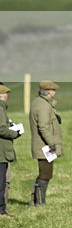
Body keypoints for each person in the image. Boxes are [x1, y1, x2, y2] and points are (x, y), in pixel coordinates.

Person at [29, 80, 63, 206]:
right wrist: (52, 143)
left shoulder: (40, 102)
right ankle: (39, 201)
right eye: (53, 90)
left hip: (43, 145)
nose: (54, 92)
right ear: (48, 92)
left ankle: (35, 200)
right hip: (44, 146)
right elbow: (43, 127)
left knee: (45, 173)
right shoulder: (43, 105)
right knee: (45, 174)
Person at [0, 85, 23, 217]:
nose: (7, 96)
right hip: (1, 152)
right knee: (1, 182)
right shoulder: (0, 108)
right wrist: (15, 133)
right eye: (6, 93)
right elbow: (1, 129)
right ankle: (1, 210)